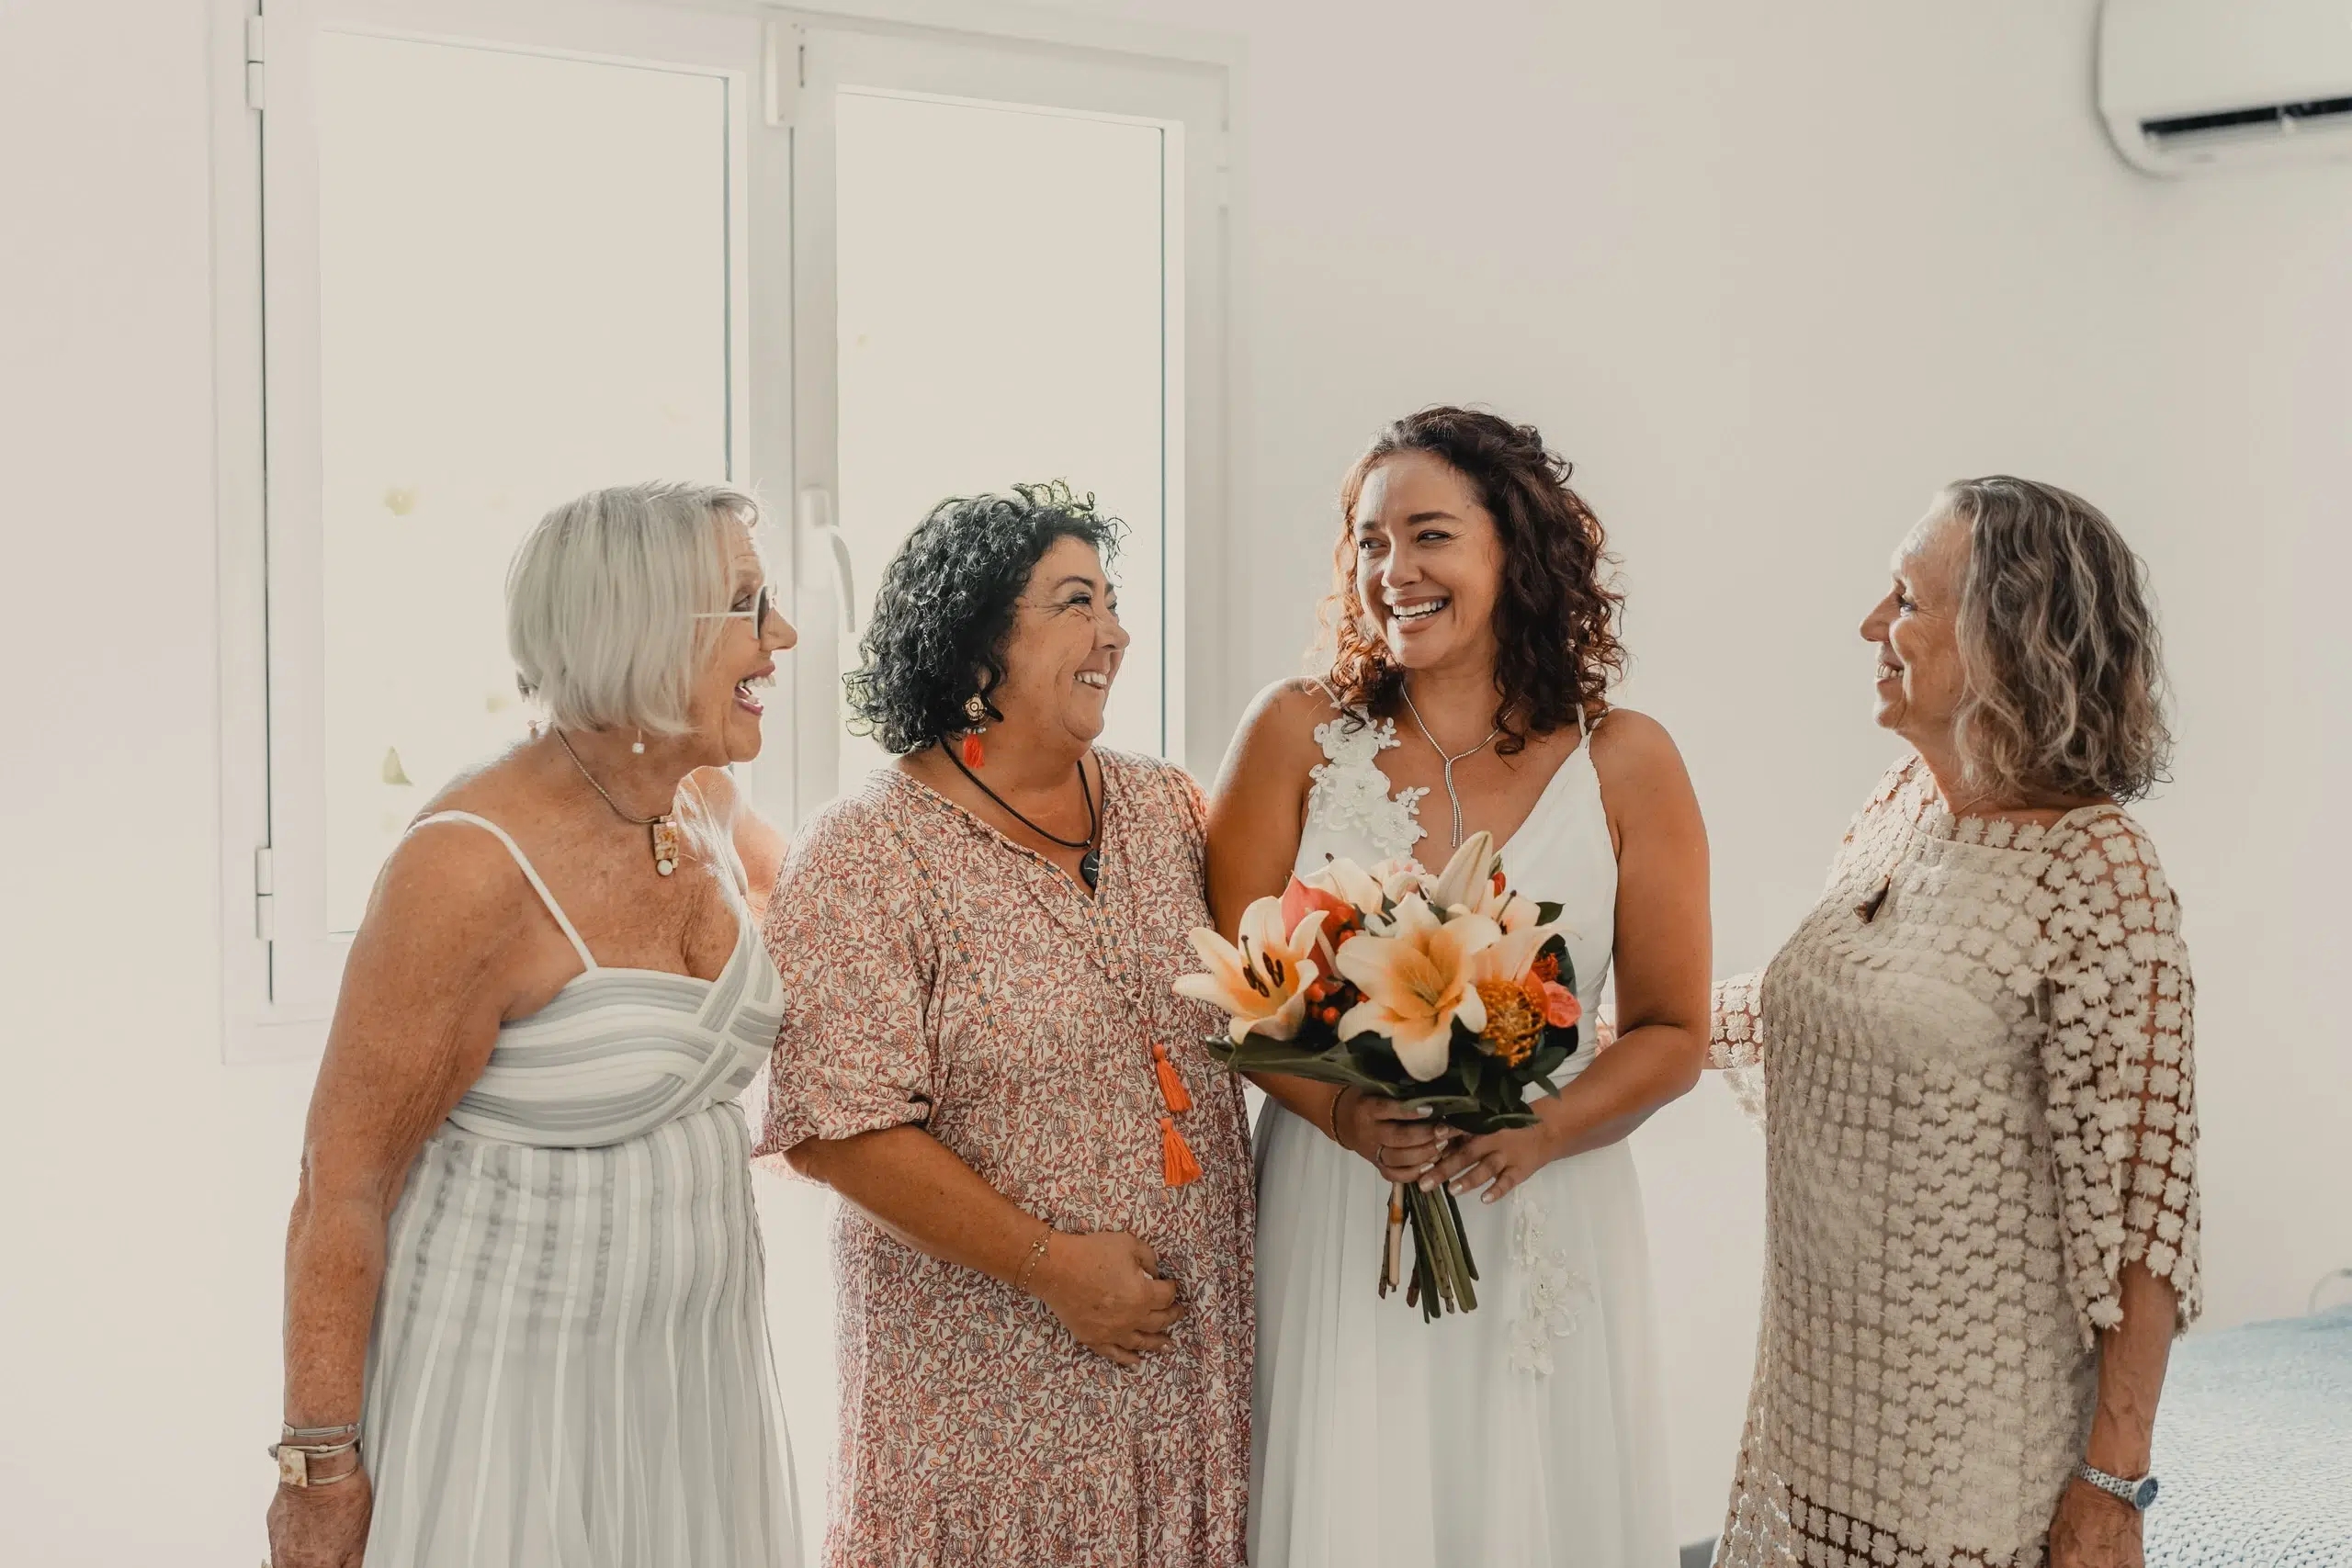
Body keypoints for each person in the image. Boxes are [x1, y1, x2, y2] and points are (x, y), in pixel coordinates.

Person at [266, 481, 803, 1568]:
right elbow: (342, 1185)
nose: (780, 636)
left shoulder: (699, 801)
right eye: (748, 606)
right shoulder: (464, 867)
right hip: (514, 1411)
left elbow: (834, 921)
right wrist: (317, 1471)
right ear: (642, 631)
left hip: (692, 1386)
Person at [1208, 408, 1710, 1567]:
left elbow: (1674, 1030)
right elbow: (1231, 990)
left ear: (1513, 553)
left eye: (1429, 535)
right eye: (1370, 542)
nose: (1396, 572)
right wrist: (1340, 1110)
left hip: (1543, 1203)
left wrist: (1541, 1130)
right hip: (1338, 1203)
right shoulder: (1293, 732)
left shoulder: (1625, 759)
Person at [757, 482, 1252, 1567]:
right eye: (1077, 603)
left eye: (1115, 604)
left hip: (1186, 1377)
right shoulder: (864, 855)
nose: (1115, 634)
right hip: (989, 1402)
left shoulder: (1165, 807)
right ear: (978, 641)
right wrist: (1054, 1269)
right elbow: (837, 1129)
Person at [1708, 477, 2199, 1568]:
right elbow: (1828, 1017)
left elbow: (2145, 1212)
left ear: (2006, 637)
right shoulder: (1896, 810)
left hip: (1973, 1462)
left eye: (1903, 601)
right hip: (1814, 1422)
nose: (1872, 628)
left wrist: (2110, 1485)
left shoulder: (2099, 873)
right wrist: (1584, 1020)